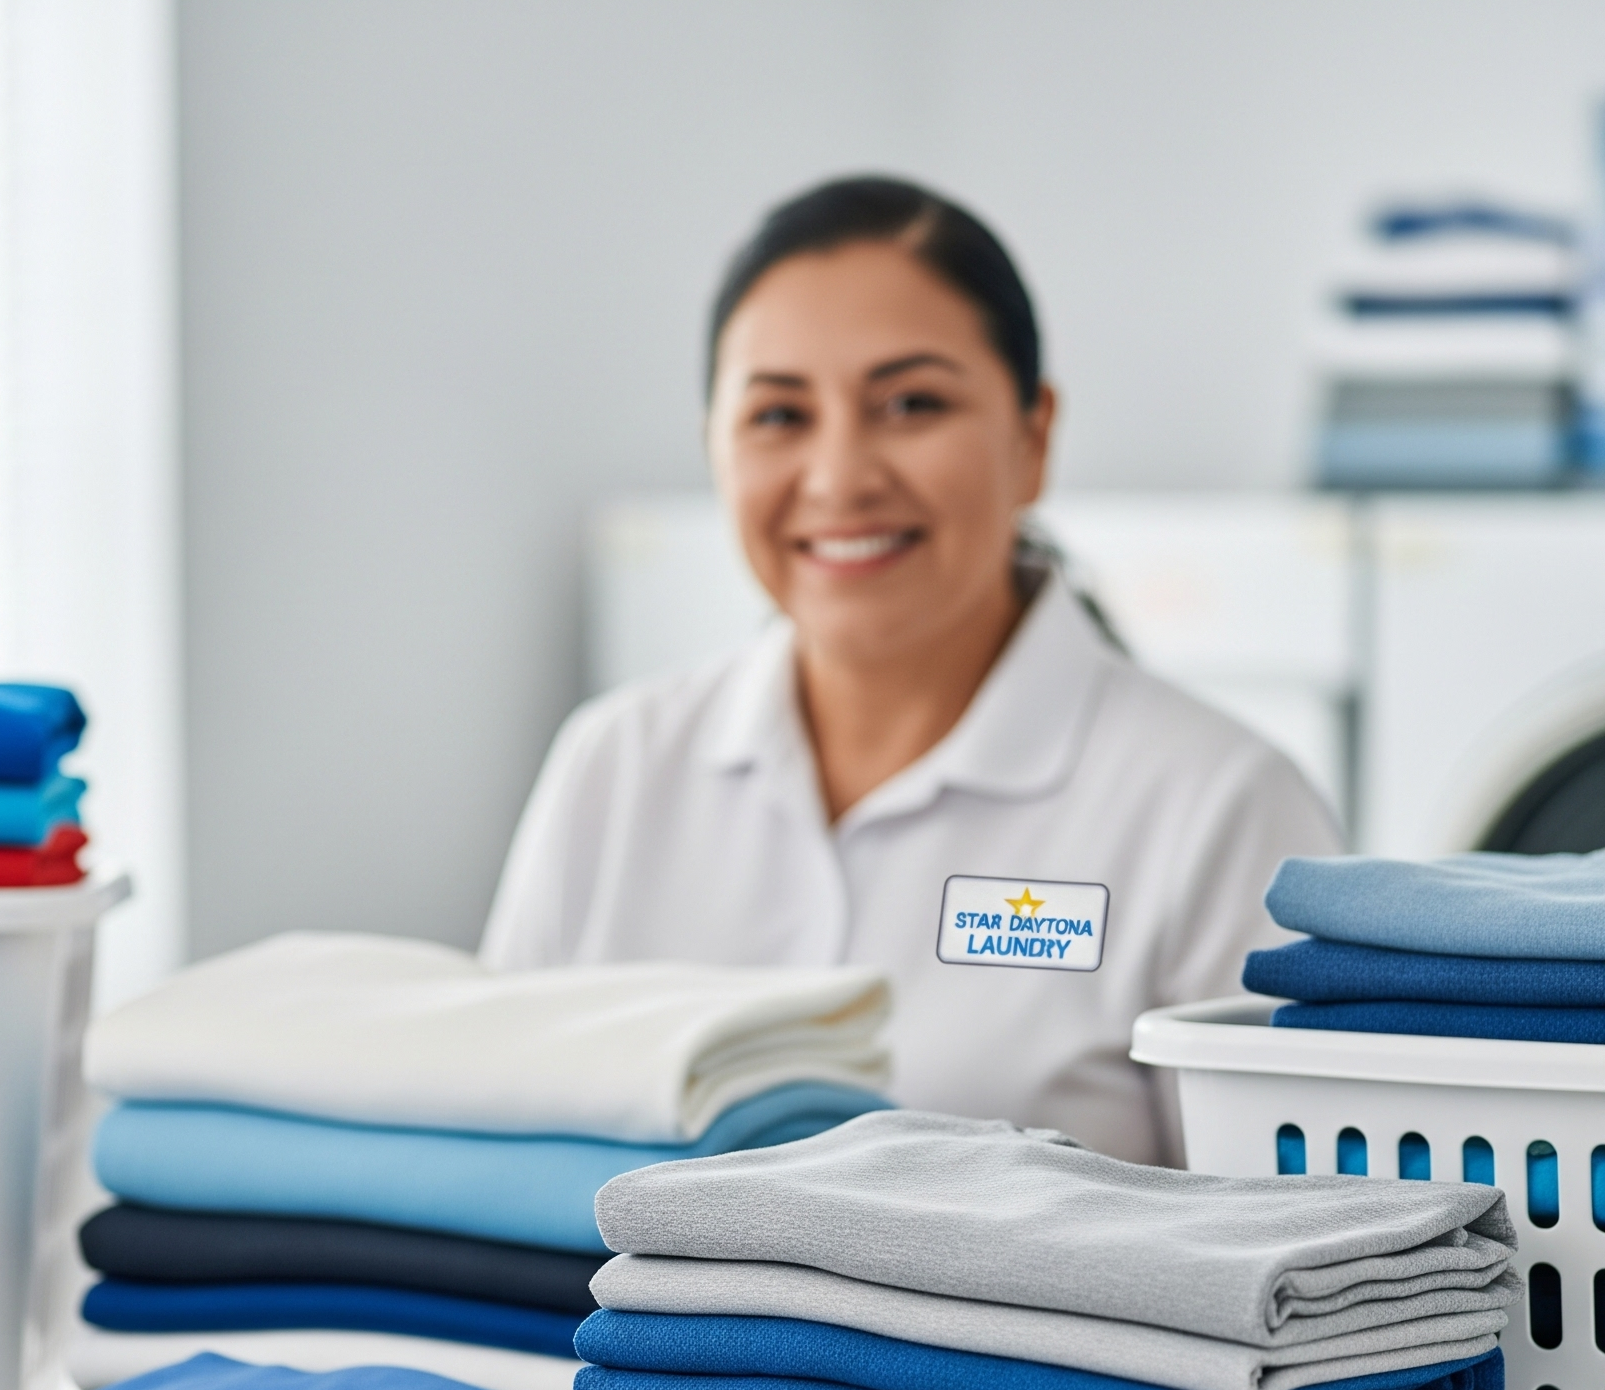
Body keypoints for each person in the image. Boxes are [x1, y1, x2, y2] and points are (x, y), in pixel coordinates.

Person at [480, 175, 1340, 1164]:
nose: (839, 477)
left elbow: (1282, 1255)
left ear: (1031, 436)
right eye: (777, 415)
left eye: (909, 403)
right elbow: (512, 1160)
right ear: (712, 444)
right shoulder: (616, 767)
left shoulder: (1221, 807)